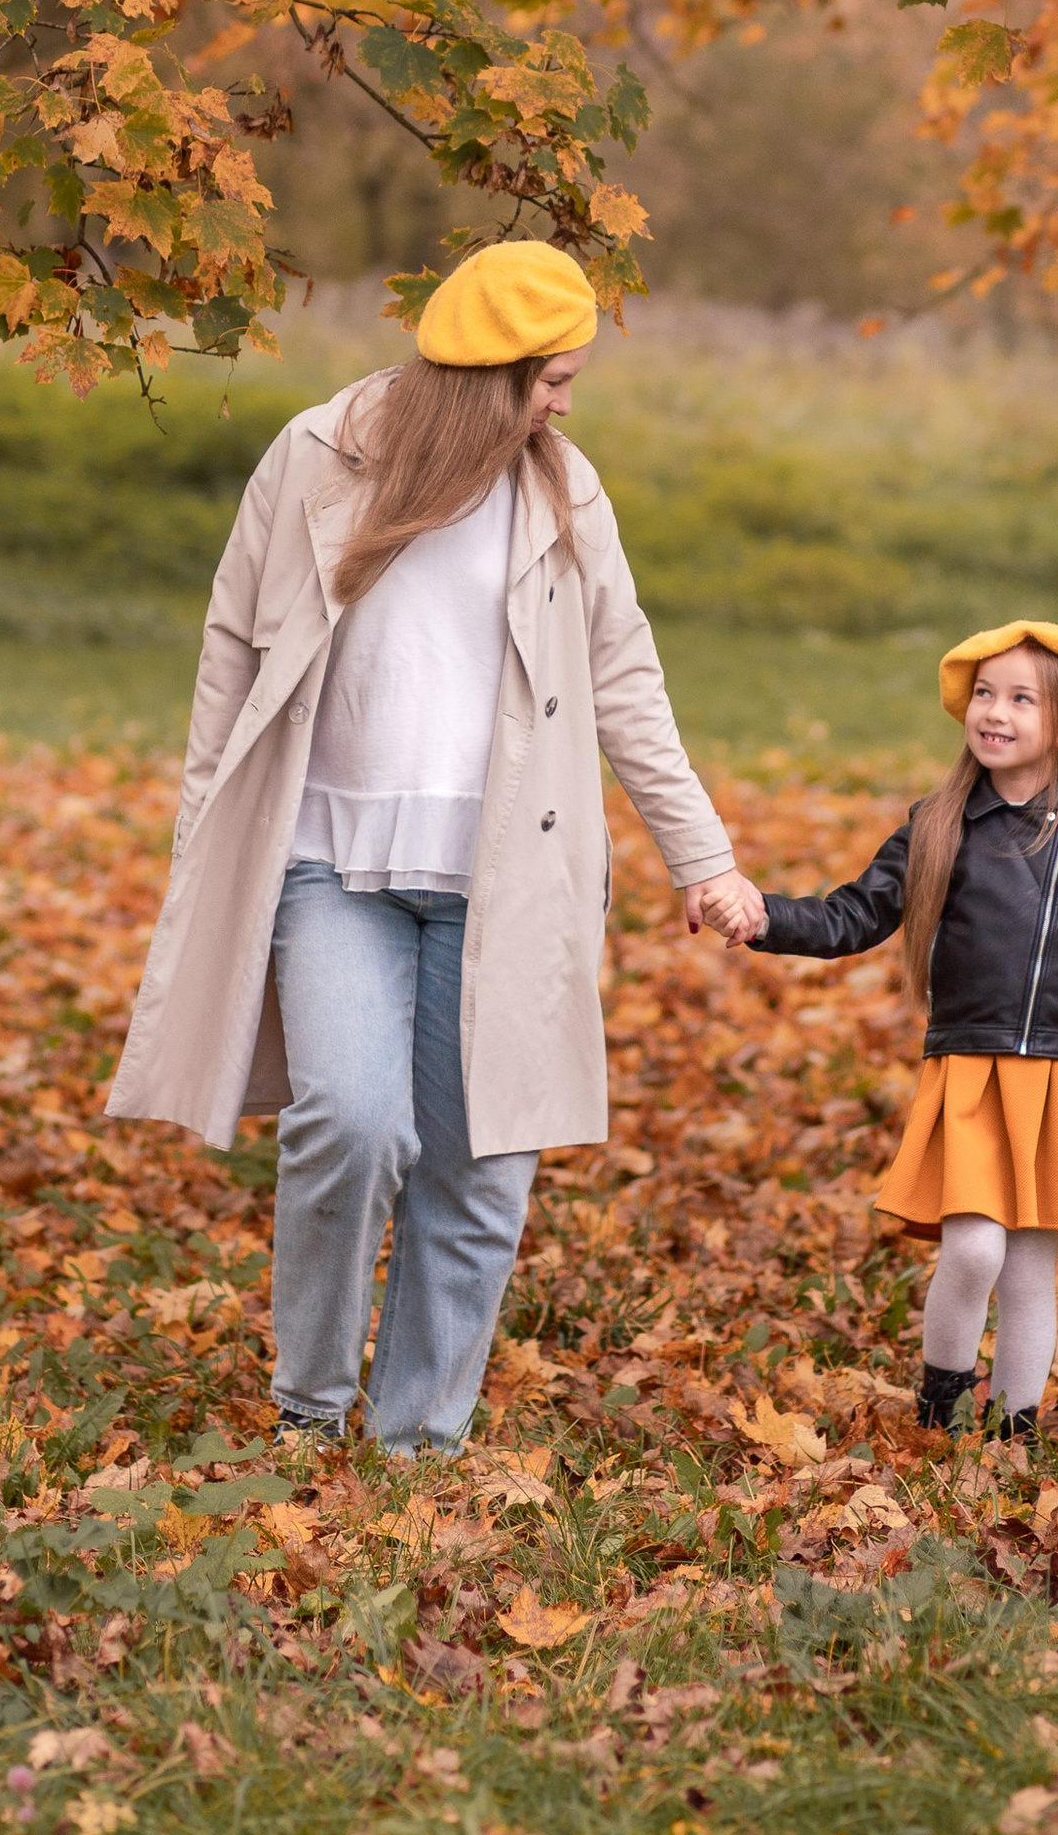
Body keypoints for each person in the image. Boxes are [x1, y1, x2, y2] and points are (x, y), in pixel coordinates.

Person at [107, 240, 737, 1451]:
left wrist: (701, 856)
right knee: (349, 1120)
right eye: (552, 379)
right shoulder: (316, 455)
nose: (564, 402)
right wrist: (205, 833)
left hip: (507, 879)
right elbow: (231, 650)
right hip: (327, 862)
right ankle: (309, 1403)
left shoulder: (561, 489)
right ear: (490, 373)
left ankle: (418, 1442)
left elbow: (625, 678)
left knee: (481, 1164)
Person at [689, 620, 1058, 1439]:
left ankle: (1015, 1433)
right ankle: (940, 1414)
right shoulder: (939, 823)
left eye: (1019, 699)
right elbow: (852, 914)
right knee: (973, 1251)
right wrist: (759, 917)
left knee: (1030, 1271)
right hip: (972, 1072)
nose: (993, 712)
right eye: (984, 695)